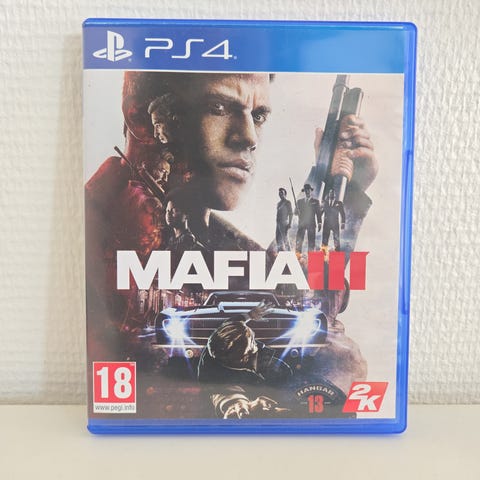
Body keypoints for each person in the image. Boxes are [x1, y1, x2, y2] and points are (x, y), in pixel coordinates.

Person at [295, 183, 322, 253]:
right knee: (299, 241)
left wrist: (319, 223)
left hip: (311, 224)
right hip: (302, 224)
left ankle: (311, 257)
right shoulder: (299, 202)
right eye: (306, 190)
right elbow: (295, 213)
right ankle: (298, 256)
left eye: (308, 190)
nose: (307, 191)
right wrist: (296, 211)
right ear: (304, 191)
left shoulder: (316, 202)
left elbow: (318, 213)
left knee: (311, 242)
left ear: (310, 190)